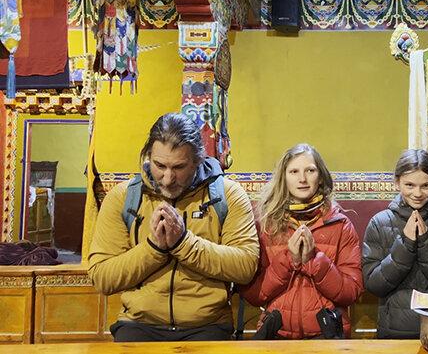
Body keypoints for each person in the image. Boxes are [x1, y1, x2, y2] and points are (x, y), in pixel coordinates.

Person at [88, 113, 260, 342]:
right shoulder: (123, 198)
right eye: (160, 165)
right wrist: (154, 248)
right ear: (148, 156)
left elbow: (245, 266)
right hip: (138, 326)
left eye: (179, 167)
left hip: (208, 327)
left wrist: (183, 243)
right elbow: (102, 278)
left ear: (197, 160)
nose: (168, 179)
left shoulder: (228, 195)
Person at [239, 143, 363, 339]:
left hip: (326, 334)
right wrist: (290, 260)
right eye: (294, 171)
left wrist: (314, 261)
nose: (302, 179)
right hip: (277, 334)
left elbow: (351, 292)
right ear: (284, 177)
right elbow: (254, 294)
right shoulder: (266, 225)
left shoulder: (341, 225)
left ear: (320, 176)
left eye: (310, 171)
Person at [362, 149, 428, 338]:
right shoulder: (379, 223)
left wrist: (427, 243)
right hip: (393, 330)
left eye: (426, 185)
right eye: (409, 185)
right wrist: (406, 244)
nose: (417, 193)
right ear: (397, 183)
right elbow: (373, 284)